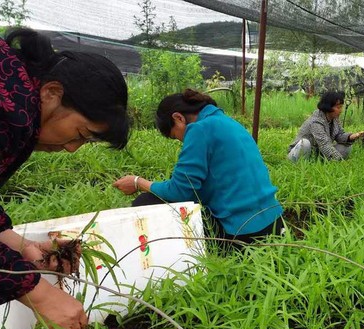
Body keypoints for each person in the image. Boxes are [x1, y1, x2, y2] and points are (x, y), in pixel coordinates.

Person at [0, 28, 130, 329]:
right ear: (51, 92)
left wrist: (20, 245)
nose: (73, 149)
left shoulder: (10, 101)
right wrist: (41, 295)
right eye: (81, 132)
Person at [113, 89, 283, 249]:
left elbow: (179, 191)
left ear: (178, 118)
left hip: (243, 231)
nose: (181, 141)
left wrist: (138, 182)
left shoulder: (199, 129)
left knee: (147, 202)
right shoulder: (228, 122)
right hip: (274, 222)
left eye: (175, 136)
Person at [287, 91, 364, 162]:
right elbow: (324, 144)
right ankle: (299, 163)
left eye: (341, 107)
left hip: (316, 153)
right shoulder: (315, 121)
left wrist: (353, 136)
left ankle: (320, 161)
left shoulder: (334, 119)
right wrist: (341, 162)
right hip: (299, 152)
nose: (341, 110)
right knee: (305, 143)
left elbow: (339, 135)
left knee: (346, 147)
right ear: (328, 107)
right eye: (338, 107)